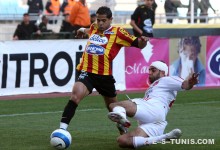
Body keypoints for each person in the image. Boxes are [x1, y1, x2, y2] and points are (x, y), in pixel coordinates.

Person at [55, 6, 149, 134]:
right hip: (87, 71)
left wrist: (143, 41)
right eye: (98, 20)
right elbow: (88, 29)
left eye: (103, 20)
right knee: (75, 96)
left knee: (113, 107)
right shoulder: (94, 27)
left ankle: (123, 129)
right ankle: (62, 130)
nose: (100, 23)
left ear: (111, 19)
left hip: (104, 77)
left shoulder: (118, 32)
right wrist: (81, 30)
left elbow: (138, 44)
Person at [107, 61, 199, 148]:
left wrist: (190, 83)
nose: (149, 72)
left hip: (153, 109)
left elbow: (184, 85)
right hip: (157, 122)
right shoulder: (153, 87)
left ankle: (122, 119)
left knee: (113, 106)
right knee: (122, 141)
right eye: (149, 70)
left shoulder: (166, 79)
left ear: (163, 73)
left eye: (153, 70)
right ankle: (164, 137)